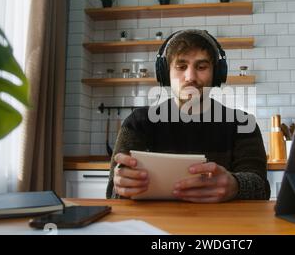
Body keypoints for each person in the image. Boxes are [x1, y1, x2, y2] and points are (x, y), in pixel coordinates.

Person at [106, 29, 270, 203]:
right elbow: (113, 194)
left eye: (201, 67)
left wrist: (236, 185)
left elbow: (261, 189)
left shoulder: (243, 124)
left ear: (216, 74)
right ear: (165, 73)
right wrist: (122, 186)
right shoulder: (138, 123)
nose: (190, 77)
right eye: (181, 66)